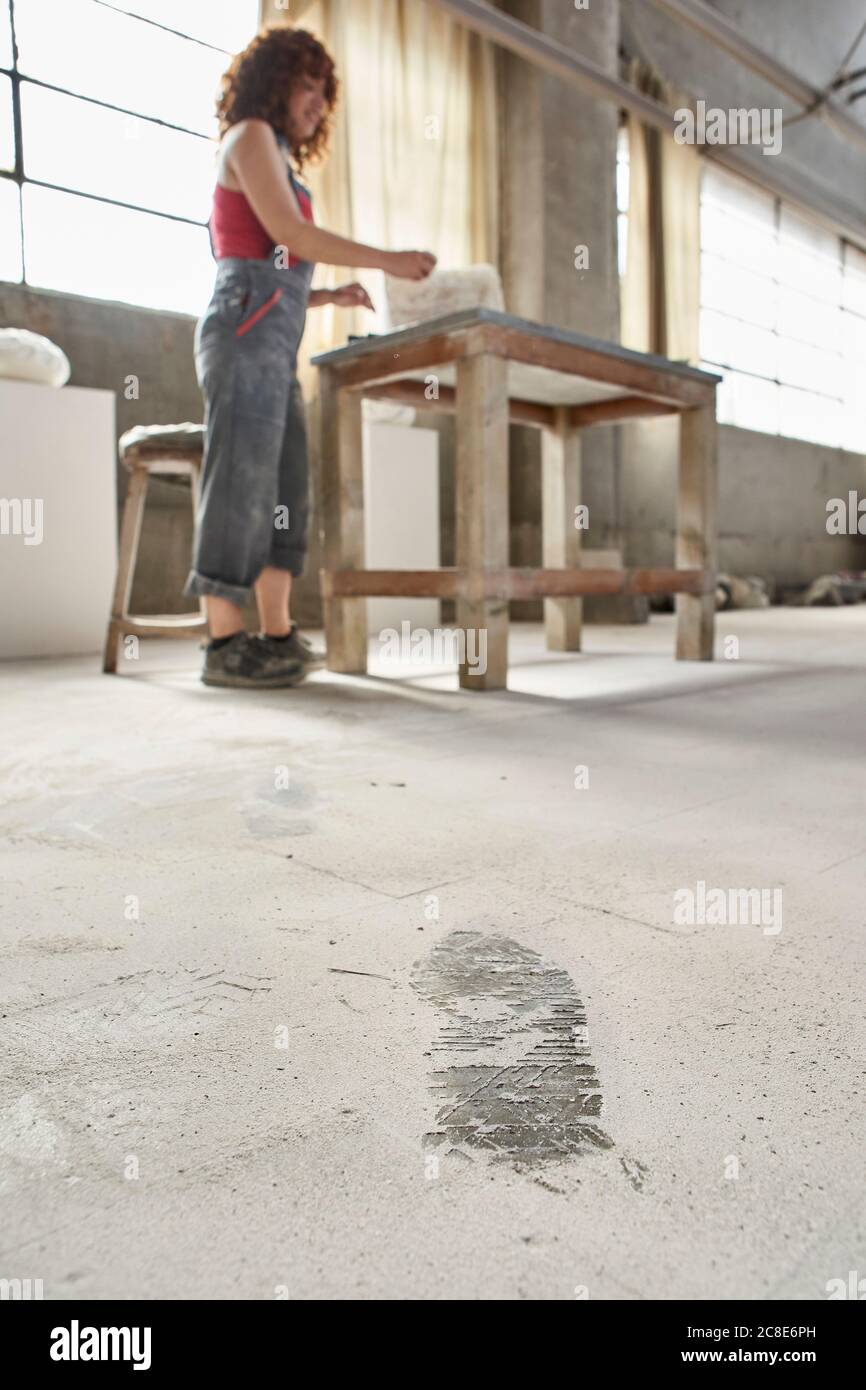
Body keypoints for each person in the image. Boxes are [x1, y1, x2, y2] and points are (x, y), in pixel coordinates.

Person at [186, 25, 436, 688]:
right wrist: (390, 261)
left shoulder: (282, 159)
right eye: (307, 85)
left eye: (326, 92)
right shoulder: (248, 137)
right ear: (275, 81)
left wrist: (327, 295)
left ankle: (275, 634)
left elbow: (280, 257)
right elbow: (287, 235)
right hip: (243, 332)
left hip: (274, 339)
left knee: (286, 487)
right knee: (242, 479)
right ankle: (224, 643)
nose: (319, 101)